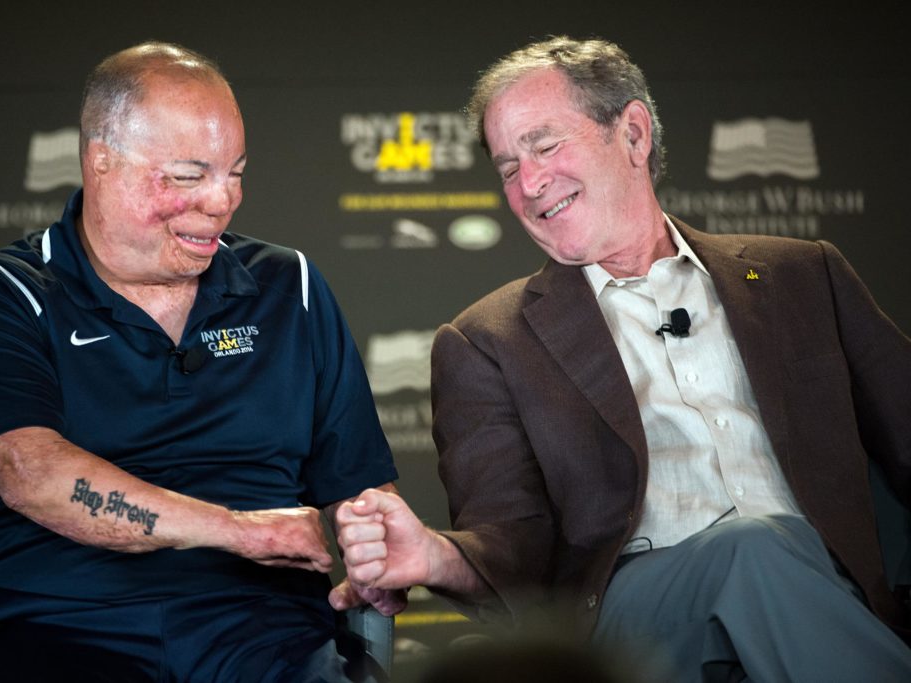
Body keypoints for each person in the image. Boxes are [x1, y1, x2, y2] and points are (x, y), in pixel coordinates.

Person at [331, 36, 911, 680]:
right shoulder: (487, 342)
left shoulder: (803, 277)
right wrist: (436, 557)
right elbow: (513, 545)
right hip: (635, 624)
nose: (529, 183)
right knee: (751, 548)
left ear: (633, 134)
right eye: (506, 167)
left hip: (824, 598)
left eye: (546, 146)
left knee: (769, 552)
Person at [0, 41, 404, 682]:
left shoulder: (287, 285)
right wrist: (240, 531)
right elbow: (30, 471)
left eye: (235, 171)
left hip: (265, 630)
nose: (222, 201)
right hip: (58, 623)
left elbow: (360, 485)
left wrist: (378, 546)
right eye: (188, 176)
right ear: (102, 161)